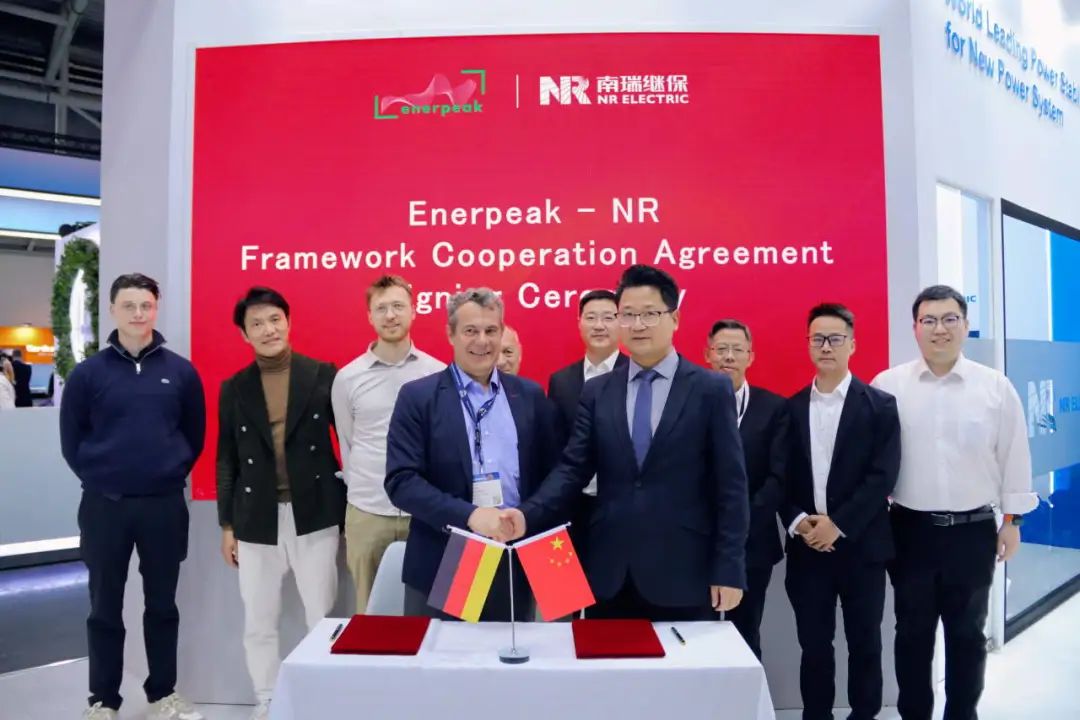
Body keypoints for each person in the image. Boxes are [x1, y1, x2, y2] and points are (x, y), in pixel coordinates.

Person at [508, 264, 750, 621]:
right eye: (629, 315)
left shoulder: (710, 389)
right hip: (610, 572)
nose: (638, 325)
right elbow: (572, 470)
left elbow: (731, 486)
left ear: (675, 318)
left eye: (650, 314)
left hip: (683, 570)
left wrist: (729, 568)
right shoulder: (598, 391)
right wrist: (525, 514)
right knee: (607, 658)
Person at [872, 285, 1037, 720]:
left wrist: (1013, 520)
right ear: (915, 328)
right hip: (909, 531)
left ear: (965, 325)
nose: (939, 329)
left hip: (973, 532)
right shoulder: (888, 386)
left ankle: (962, 714)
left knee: (967, 636)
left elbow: (1014, 455)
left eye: (949, 319)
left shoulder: (994, 387)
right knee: (912, 634)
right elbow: (871, 460)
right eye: (929, 320)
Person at [59, 273, 206, 720]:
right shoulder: (88, 374)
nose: (138, 314)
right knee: (104, 606)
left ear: (155, 309)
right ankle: (103, 700)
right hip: (105, 506)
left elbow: (194, 436)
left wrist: (168, 472)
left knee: (162, 605)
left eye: (146, 305)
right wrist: (104, 477)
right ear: (113, 310)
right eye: (129, 306)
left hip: (164, 505)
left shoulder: (181, 372)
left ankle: (163, 694)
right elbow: (72, 442)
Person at [385, 289, 558, 620]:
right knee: (443, 653)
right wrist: (470, 515)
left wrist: (527, 515)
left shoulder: (530, 396)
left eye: (491, 330)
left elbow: (554, 475)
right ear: (450, 334)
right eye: (470, 331)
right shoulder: (418, 398)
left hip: (515, 554)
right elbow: (402, 482)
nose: (482, 341)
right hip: (447, 554)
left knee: (513, 651)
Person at [216, 287, 344, 720]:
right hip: (256, 517)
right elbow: (226, 458)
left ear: (288, 322)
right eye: (257, 324)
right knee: (259, 619)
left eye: (275, 319)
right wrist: (227, 525)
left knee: (321, 615)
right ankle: (267, 697)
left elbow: (348, 441)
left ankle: (319, 696)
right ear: (244, 334)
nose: (268, 329)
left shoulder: (322, 374)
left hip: (316, 511)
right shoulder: (235, 388)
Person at [781, 303, 900, 720]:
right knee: (814, 646)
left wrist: (840, 524)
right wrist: (800, 521)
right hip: (807, 548)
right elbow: (779, 477)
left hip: (862, 547)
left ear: (852, 344)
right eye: (818, 339)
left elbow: (883, 475)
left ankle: (864, 714)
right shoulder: (790, 409)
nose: (826, 347)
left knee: (865, 643)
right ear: (808, 345)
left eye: (835, 339)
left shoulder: (881, 405)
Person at [331, 275, 444, 613]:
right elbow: (348, 443)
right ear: (370, 316)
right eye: (381, 308)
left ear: (414, 311)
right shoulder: (348, 378)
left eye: (398, 306)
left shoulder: (437, 374)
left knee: (428, 610)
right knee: (371, 613)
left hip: (424, 514)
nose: (390, 315)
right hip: (367, 512)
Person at [705, 318, 788, 660]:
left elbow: (779, 477)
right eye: (721, 349)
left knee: (745, 632)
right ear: (708, 354)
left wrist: (740, 522)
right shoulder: (689, 404)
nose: (729, 356)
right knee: (695, 635)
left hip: (754, 543)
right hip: (698, 541)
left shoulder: (774, 408)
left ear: (750, 356)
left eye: (737, 350)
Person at [546, 290, 627, 575]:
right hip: (574, 506)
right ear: (579, 323)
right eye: (591, 318)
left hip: (621, 506)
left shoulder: (637, 375)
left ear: (621, 322)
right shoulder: (561, 381)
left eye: (608, 318)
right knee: (573, 588)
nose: (599, 325)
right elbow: (556, 448)